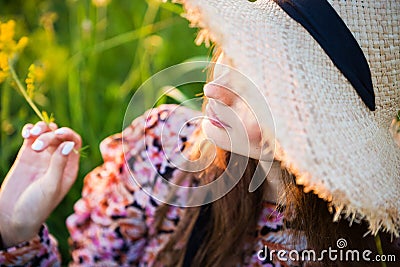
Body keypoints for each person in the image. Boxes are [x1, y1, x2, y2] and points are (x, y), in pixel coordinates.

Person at [0, 0, 399, 266]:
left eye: (260, 86)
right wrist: (15, 233)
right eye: (234, 53)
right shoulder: (161, 151)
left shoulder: (361, 250)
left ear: (315, 126)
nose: (214, 89)